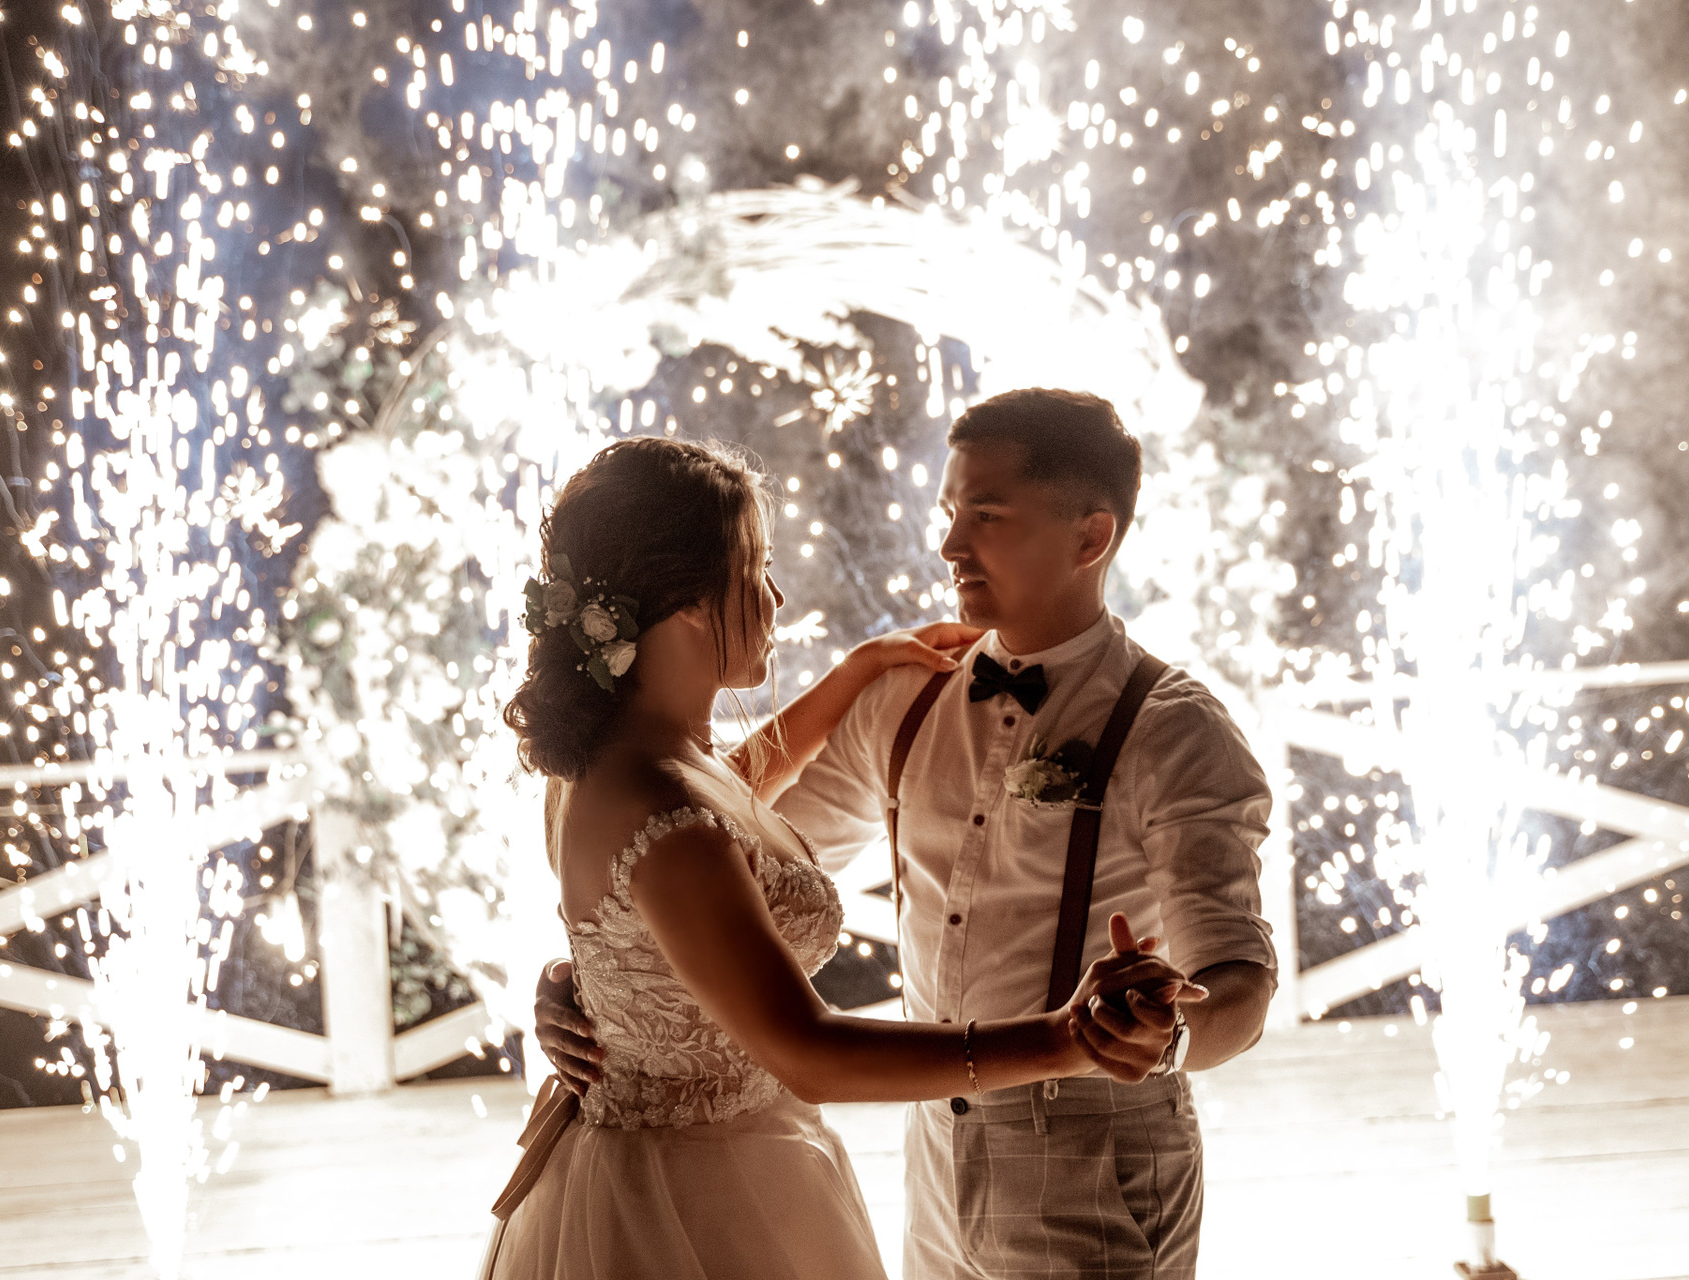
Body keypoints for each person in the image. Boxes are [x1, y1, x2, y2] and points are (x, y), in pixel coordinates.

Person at [535, 389, 1278, 1279]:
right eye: (948, 512)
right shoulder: (905, 699)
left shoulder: (1175, 729)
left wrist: (1170, 1035)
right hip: (929, 1168)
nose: (950, 544)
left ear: (1091, 539)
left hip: (1096, 1163)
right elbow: (704, 860)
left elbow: (1240, 976)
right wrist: (602, 978)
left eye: (986, 516)